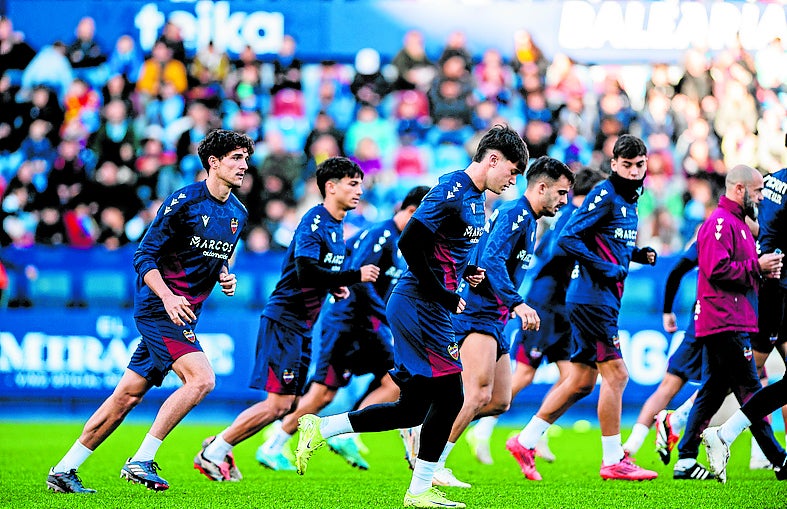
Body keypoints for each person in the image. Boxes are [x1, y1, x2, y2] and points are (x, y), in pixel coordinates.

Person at [294, 124, 529, 509]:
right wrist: (443, 291)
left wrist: (465, 270)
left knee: (413, 408)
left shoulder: (474, 198)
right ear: (493, 159)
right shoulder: (453, 188)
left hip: (427, 303)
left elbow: (445, 247)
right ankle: (419, 489)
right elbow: (409, 241)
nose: (512, 180)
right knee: (453, 392)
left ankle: (322, 427)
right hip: (418, 302)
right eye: (512, 171)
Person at [46, 129, 255, 493]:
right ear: (214, 162)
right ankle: (142, 459)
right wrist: (168, 297)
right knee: (202, 379)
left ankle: (65, 470)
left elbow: (213, 255)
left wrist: (224, 275)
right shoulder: (185, 202)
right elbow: (144, 255)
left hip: (185, 312)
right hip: (160, 307)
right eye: (236, 158)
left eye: (245, 158)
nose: (244, 165)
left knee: (126, 396)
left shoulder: (237, 212)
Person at [193, 156, 380, 482]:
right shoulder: (316, 221)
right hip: (285, 320)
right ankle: (214, 451)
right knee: (279, 404)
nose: (359, 190)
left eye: (360, 184)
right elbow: (306, 269)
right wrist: (352, 276)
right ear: (331, 187)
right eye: (353, 183)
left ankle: (219, 447)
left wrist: (335, 284)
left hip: (303, 325)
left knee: (289, 402)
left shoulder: (336, 227)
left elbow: (314, 272)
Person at [506, 134, 658, 481]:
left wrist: (635, 254)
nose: (635, 171)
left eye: (640, 164)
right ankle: (613, 459)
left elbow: (602, 240)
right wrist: (603, 267)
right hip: (592, 298)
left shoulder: (630, 198)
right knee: (617, 375)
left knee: (582, 382)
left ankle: (525, 440)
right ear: (615, 164)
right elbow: (568, 238)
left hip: (598, 298)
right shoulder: (606, 193)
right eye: (627, 165)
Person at [255, 185, 430, 471]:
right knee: (325, 393)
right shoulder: (381, 234)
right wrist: (390, 320)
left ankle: (341, 433)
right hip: (347, 323)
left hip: (365, 325)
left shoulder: (400, 242)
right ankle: (279, 442)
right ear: (411, 211)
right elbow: (359, 281)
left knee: (390, 381)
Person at [430, 156, 574, 488]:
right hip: (478, 313)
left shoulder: (528, 220)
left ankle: (429, 426)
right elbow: (493, 256)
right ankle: (433, 462)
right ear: (541, 188)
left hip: (494, 315)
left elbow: (483, 248)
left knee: (499, 400)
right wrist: (517, 303)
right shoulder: (516, 213)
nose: (564, 201)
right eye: (561, 193)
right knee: (476, 394)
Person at [464, 167, 605, 466]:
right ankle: (478, 429)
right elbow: (554, 251)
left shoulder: (543, 218)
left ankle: (535, 432)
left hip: (563, 310)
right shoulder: (569, 215)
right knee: (523, 375)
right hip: (543, 306)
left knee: (575, 380)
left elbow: (540, 249)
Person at [671, 164, 786, 482]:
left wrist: (762, 272)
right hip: (724, 319)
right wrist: (756, 267)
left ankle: (684, 459)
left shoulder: (736, 224)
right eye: (758, 191)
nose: (762, 198)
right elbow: (716, 269)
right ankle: (779, 459)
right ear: (740, 189)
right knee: (751, 388)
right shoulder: (720, 223)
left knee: (712, 389)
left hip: (730, 318)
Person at [622, 240, 702, 464]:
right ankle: (676, 422)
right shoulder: (739, 232)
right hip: (725, 321)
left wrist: (667, 310)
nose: (759, 202)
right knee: (731, 382)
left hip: (700, 319)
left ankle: (631, 445)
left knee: (669, 386)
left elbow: (677, 269)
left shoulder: (709, 231)